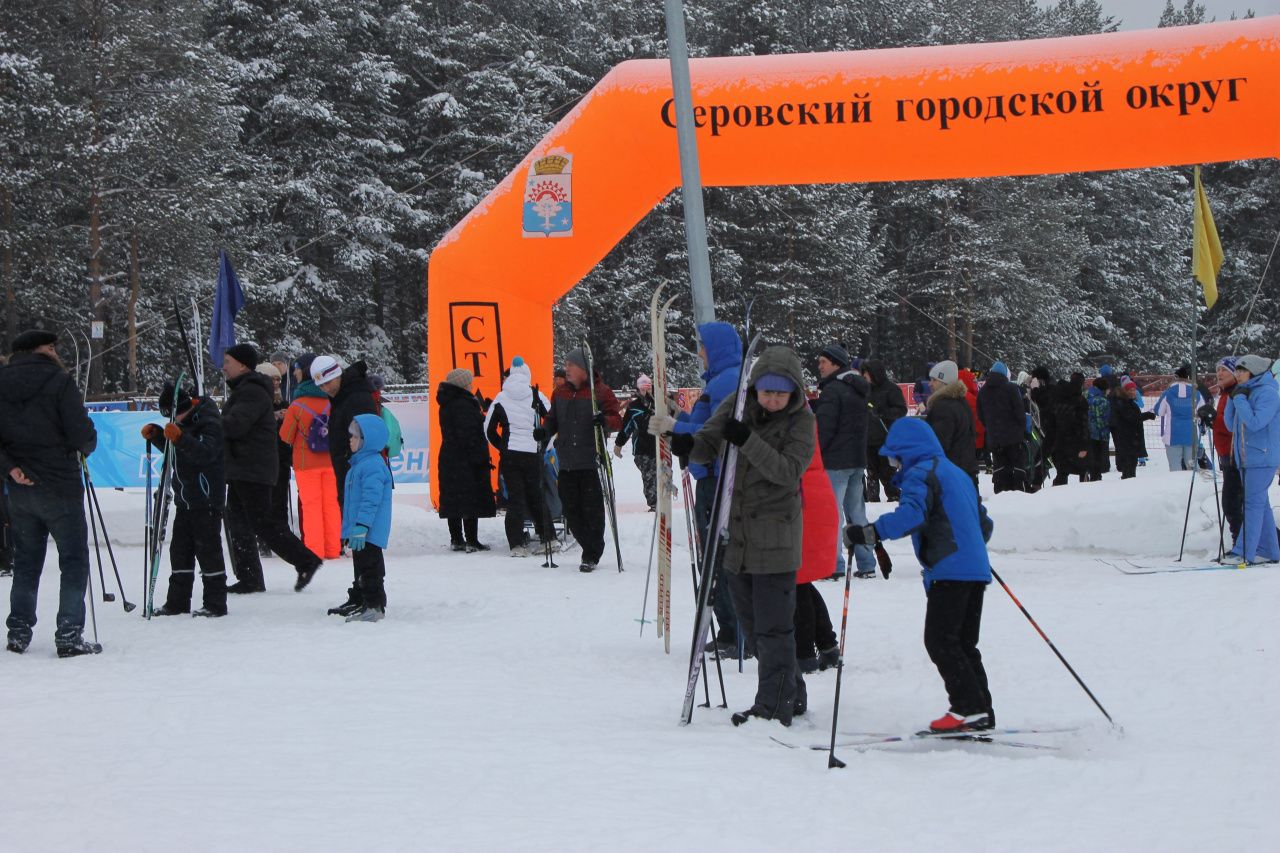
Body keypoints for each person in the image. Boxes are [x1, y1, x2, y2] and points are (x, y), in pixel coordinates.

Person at [668, 346, 815, 727]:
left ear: (794, 392)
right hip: (735, 535)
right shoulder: (738, 403)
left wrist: (747, 439)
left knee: (774, 628)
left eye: (781, 393)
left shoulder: (801, 422)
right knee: (752, 628)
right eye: (767, 392)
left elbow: (787, 470)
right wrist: (689, 446)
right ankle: (791, 692)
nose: (773, 399)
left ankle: (773, 705)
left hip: (776, 537)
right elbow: (710, 441)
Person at [844, 418, 995, 733]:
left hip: (950, 569)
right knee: (964, 643)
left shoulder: (921, 473)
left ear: (907, 452)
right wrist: (971, 546)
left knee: (940, 640)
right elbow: (985, 524)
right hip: (974, 568)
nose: (892, 462)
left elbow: (911, 516)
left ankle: (968, 708)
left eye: (894, 455)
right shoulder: (955, 472)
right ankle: (981, 711)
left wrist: (870, 533)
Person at [0, 330, 101, 656]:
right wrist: (87, 442)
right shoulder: (59, 381)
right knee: (73, 560)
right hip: (60, 484)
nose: (55, 351)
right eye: (51, 346)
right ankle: (69, 634)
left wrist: (10, 467)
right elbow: (79, 432)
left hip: (20, 487)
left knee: (27, 561)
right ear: (39, 350)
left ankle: (18, 631)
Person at [651, 322, 743, 655]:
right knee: (715, 556)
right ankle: (733, 630)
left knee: (718, 556)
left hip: (717, 477)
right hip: (710, 474)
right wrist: (679, 418)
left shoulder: (727, 380)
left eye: (703, 346)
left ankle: (735, 632)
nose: (699, 353)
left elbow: (714, 429)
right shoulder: (721, 380)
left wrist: (677, 426)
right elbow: (704, 421)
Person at [220, 343, 322, 594]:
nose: (223, 367)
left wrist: (212, 421)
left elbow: (235, 426)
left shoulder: (251, 392)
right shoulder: (245, 390)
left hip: (252, 468)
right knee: (239, 523)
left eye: (228, 362)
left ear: (242, 365)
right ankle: (250, 577)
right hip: (241, 467)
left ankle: (305, 559)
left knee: (262, 522)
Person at [141, 383, 228, 617]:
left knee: (208, 552)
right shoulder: (182, 423)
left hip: (206, 499)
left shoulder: (208, 421)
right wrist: (159, 437)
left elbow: (205, 453)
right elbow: (179, 452)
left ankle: (215, 603)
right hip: (185, 500)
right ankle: (177, 602)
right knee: (179, 551)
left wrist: (179, 438)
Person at [540, 348, 621, 572]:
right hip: (566, 461)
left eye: (570, 365)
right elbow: (552, 419)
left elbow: (617, 420)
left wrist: (603, 420)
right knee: (571, 509)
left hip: (590, 461)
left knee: (592, 509)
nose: (566, 369)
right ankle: (589, 545)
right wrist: (543, 431)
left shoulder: (600, 392)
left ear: (583, 370)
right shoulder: (560, 393)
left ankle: (591, 553)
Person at [812, 342, 875, 579]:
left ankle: (833, 564)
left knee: (832, 514)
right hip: (857, 459)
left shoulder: (833, 390)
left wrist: (818, 453)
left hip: (835, 462)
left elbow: (825, 429)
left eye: (823, 362)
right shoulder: (858, 389)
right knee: (857, 512)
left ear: (836, 364)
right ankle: (867, 562)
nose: (819, 367)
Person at [485, 356, 554, 556]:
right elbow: (551, 423)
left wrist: (503, 447)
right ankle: (548, 536)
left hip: (510, 456)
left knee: (515, 498)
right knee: (536, 495)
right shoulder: (536, 394)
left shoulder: (500, 397)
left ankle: (516, 544)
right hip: (532, 454)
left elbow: (488, 430)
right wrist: (544, 446)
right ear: (527, 375)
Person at [279, 360, 342, 561]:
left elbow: (286, 436)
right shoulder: (332, 402)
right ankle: (333, 548)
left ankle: (314, 550)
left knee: (311, 506)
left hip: (305, 464)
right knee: (331, 505)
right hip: (331, 462)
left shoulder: (297, 406)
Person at [1223, 354, 1280, 565]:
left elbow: (1256, 422)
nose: (1236, 375)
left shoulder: (1268, 394)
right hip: (1246, 457)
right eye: (1236, 370)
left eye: (1241, 371)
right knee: (1260, 504)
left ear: (1253, 371)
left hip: (1261, 457)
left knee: (1252, 504)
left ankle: (1243, 552)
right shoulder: (1246, 392)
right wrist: (1233, 399)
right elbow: (1231, 425)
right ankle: (1269, 551)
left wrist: (1239, 399)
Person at [793, 422, 841, 674]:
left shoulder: (792, 424)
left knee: (796, 585)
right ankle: (826, 645)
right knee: (802, 584)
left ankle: (803, 654)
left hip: (802, 502)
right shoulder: (805, 422)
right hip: (813, 497)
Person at [436, 368, 496, 552]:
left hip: (450, 455)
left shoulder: (447, 401)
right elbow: (469, 432)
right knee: (470, 497)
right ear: (463, 384)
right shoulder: (463, 403)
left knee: (453, 498)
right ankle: (471, 540)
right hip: (466, 458)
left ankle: (456, 538)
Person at [340, 414, 393, 621]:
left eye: (354, 437)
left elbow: (371, 500)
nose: (350, 440)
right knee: (362, 567)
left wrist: (362, 525)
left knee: (370, 568)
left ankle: (374, 606)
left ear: (366, 441)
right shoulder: (359, 464)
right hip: (360, 530)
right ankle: (363, 600)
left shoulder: (372, 465)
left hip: (368, 531)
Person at [1204, 357, 1244, 545]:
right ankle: (1243, 541)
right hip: (1226, 455)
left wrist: (1214, 420)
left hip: (1236, 455)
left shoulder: (1235, 394)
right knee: (1234, 502)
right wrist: (1211, 420)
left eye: (1224, 370)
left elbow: (1233, 425)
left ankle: (1242, 542)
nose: (1219, 373)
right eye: (1218, 369)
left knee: (1232, 503)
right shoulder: (1225, 394)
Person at [255, 361, 292, 556]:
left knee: (279, 502)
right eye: (272, 379)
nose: (276, 383)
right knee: (264, 503)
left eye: (278, 379)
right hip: (262, 460)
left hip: (281, 458)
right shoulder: (255, 400)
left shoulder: (282, 401)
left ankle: (282, 540)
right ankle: (263, 541)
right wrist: (274, 416)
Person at [923, 360, 978, 488]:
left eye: (934, 380)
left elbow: (938, 445)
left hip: (951, 476)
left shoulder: (944, 407)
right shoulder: (961, 402)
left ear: (944, 382)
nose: (930, 384)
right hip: (965, 471)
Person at [977, 361, 1027, 493]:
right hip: (1014, 437)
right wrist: (1021, 430)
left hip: (995, 438)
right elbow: (1020, 412)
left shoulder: (983, 392)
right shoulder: (1011, 388)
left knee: (1000, 467)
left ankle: (1000, 493)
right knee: (1016, 467)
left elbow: (980, 415)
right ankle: (1017, 492)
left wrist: (991, 427)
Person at [863, 359, 907, 502]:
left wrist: (883, 412)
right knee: (871, 473)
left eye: (866, 374)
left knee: (887, 473)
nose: (864, 377)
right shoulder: (866, 390)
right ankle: (872, 500)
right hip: (868, 438)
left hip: (886, 438)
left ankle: (894, 498)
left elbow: (901, 410)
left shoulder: (891, 389)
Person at [614, 374, 657, 511]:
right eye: (643, 389)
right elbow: (626, 427)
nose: (646, 392)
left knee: (661, 473)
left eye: (648, 389)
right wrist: (618, 445)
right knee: (648, 475)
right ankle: (654, 502)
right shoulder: (634, 407)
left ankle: (662, 499)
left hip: (659, 447)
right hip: (642, 448)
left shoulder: (660, 404)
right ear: (638, 390)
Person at [1155, 365, 1205, 472]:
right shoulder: (1197, 394)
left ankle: (1176, 486)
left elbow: (1159, 411)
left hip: (1172, 435)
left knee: (1175, 467)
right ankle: (1194, 487)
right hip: (1191, 434)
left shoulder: (1168, 393)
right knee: (1192, 467)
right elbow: (1203, 411)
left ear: (1175, 377)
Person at [1109, 378, 1155, 479]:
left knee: (1131, 467)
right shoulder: (1122, 402)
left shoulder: (1127, 402)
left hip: (1129, 439)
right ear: (1124, 391)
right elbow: (1131, 418)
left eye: (1134, 390)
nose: (1133, 392)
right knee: (1128, 468)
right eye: (1130, 390)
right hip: (1127, 440)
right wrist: (1147, 415)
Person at [1051, 372, 1090, 486]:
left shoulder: (1058, 396)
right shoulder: (1080, 400)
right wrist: (1084, 444)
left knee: (1062, 472)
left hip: (1059, 439)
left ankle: (1057, 496)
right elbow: (1083, 423)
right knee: (1083, 470)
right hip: (1076, 440)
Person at [1086, 377, 1112, 481]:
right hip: (1100, 435)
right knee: (1098, 462)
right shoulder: (1103, 401)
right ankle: (1096, 479)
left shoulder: (1085, 396)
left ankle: (1088, 476)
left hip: (1086, 434)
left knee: (1090, 460)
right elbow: (1104, 419)